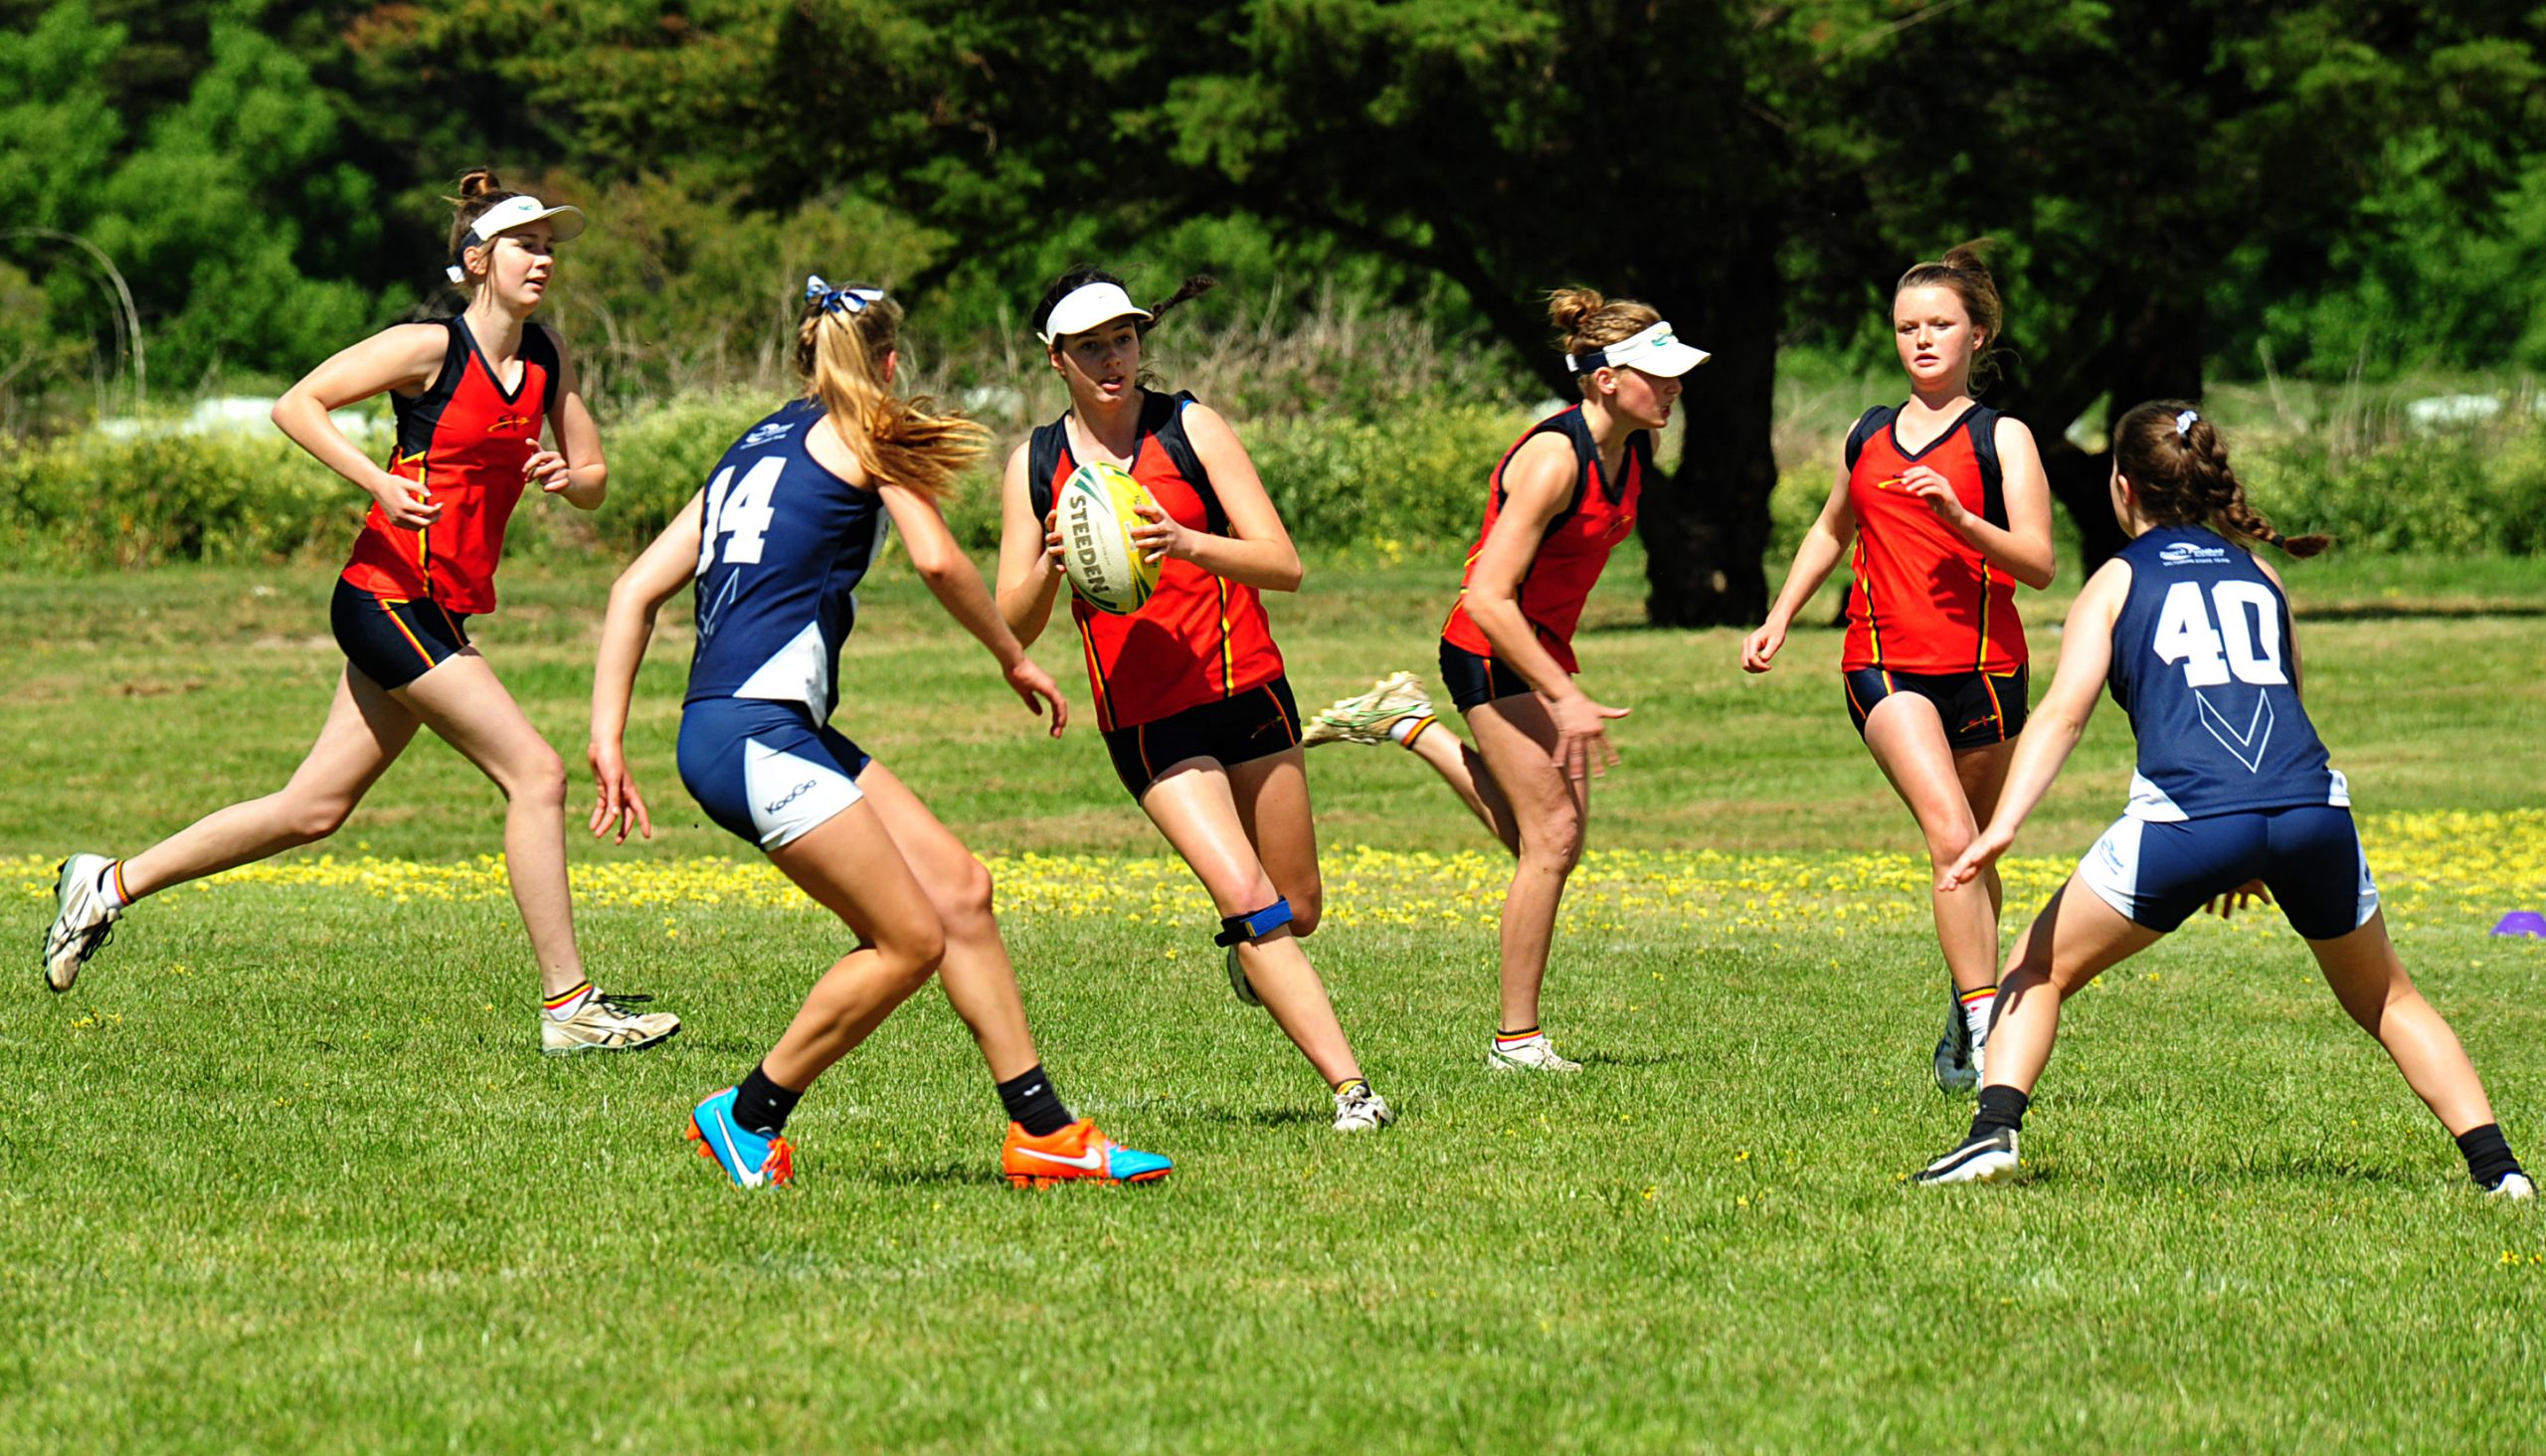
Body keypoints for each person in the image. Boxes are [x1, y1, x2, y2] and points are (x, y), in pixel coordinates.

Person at [41, 169, 677, 1057]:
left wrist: (569, 479)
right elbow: (295, 405)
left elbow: (596, 479)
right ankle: (569, 1007)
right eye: (524, 246)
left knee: (313, 808)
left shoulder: (547, 357)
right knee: (536, 774)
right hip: (386, 595)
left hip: (438, 608)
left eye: (548, 247)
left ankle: (106, 884)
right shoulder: (428, 347)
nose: (542, 260)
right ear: (477, 261)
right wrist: (377, 480)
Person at [589, 276, 1170, 1188]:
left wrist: (608, 738)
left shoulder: (753, 447)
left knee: (961, 891)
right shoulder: (868, 430)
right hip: (755, 736)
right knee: (909, 941)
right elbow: (937, 560)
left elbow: (633, 591)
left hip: (751, 728)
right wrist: (1011, 655)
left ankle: (1045, 1133)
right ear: (890, 364)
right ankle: (747, 1115)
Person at [1914, 402, 2531, 1198]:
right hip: (2311, 812)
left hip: (2192, 817)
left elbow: (2063, 715)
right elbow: (2289, 702)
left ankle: (1992, 1134)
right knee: (2389, 997)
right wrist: (2258, 848)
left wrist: (2001, 826)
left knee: (2035, 967)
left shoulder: (2117, 579)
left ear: (2123, 487)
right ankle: (2500, 1170)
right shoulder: (2261, 575)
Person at [992, 268, 1393, 1133]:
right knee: (1246, 894)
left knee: (1297, 908)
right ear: (1056, 359)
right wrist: (1052, 563)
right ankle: (1354, 1092)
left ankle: (1260, 959)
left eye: (1124, 339)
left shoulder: (1188, 428)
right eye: (1091, 347)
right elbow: (1010, 626)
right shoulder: (1035, 465)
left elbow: (1283, 564)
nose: (1113, 359)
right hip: (1147, 722)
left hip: (1247, 687)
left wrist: (1183, 541)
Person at [1301, 287, 1707, 1072]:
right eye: (1658, 374)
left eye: (1676, 373)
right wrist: (1564, 695)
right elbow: (1488, 597)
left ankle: (1408, 725)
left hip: (1539, 647)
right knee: (1551, 841)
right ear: (1604, 379)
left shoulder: (1634, 450)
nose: (1674, 386)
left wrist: (1559, 679)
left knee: (1550, 841)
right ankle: (1516, 1042)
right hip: (1489, 648)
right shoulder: (1555, 460)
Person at [1740, 244, 2054, 1092]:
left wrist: (1960, 518)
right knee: (1950, 838)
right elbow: (1830, 527)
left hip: (1987, 671)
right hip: (1882, 664)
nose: (1921, 340)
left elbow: (2038, 563)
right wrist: (1780, 616)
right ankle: (1987, 1028)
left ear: (1977, 336)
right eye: (1907, 326)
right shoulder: (1868, 434)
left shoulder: (2002, 438)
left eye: (1940, 325)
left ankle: (1964, 997)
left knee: (1974, 854)